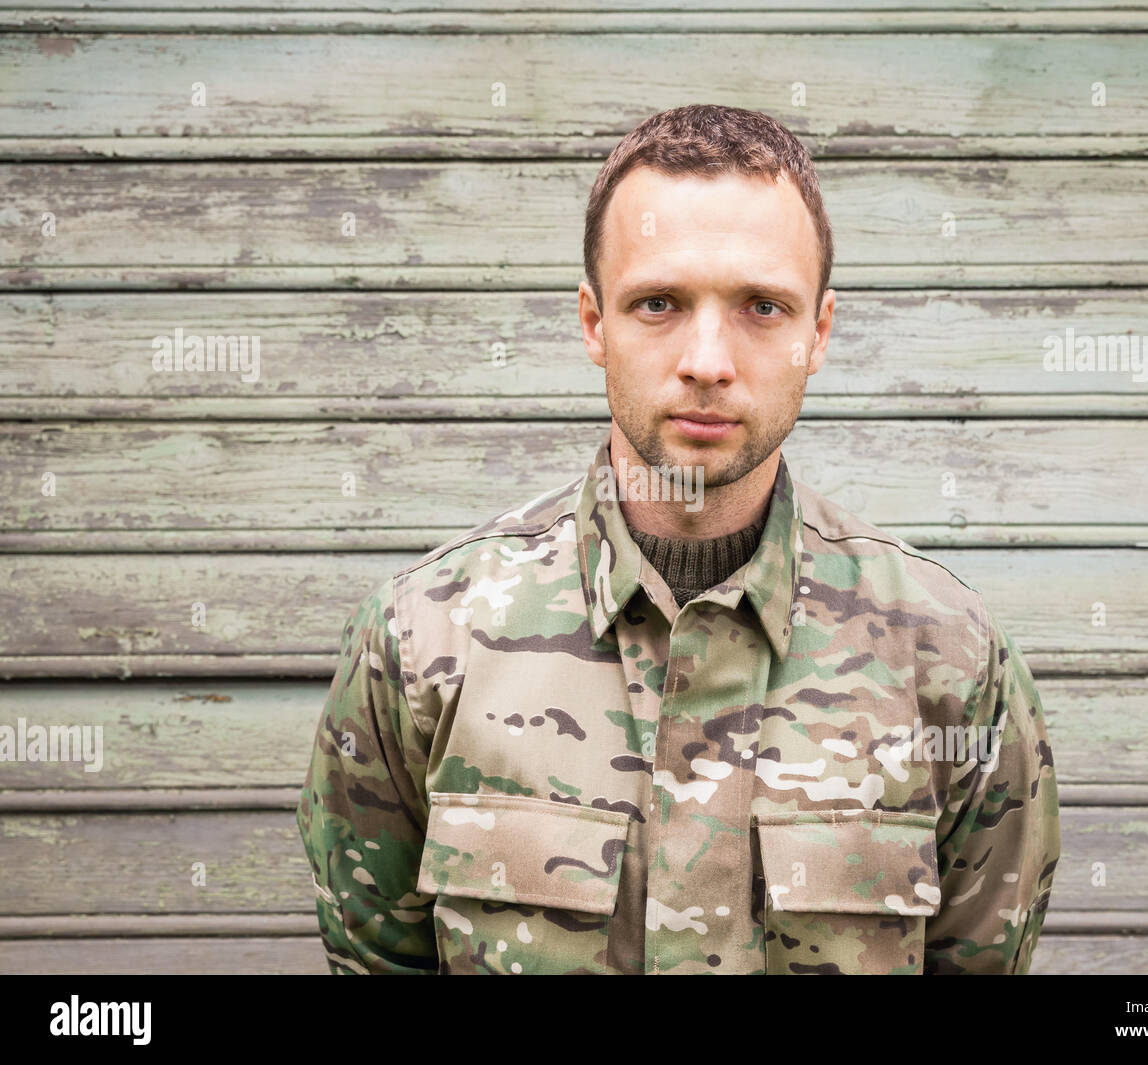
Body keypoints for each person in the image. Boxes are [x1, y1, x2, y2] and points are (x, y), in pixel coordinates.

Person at [297, 104, 1060, 975]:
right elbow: (376, 958)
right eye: (658, 302)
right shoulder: (425, 641)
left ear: (819, 333)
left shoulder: (947, 658)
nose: (707, 358)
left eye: (762, 307)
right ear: (593, 323)